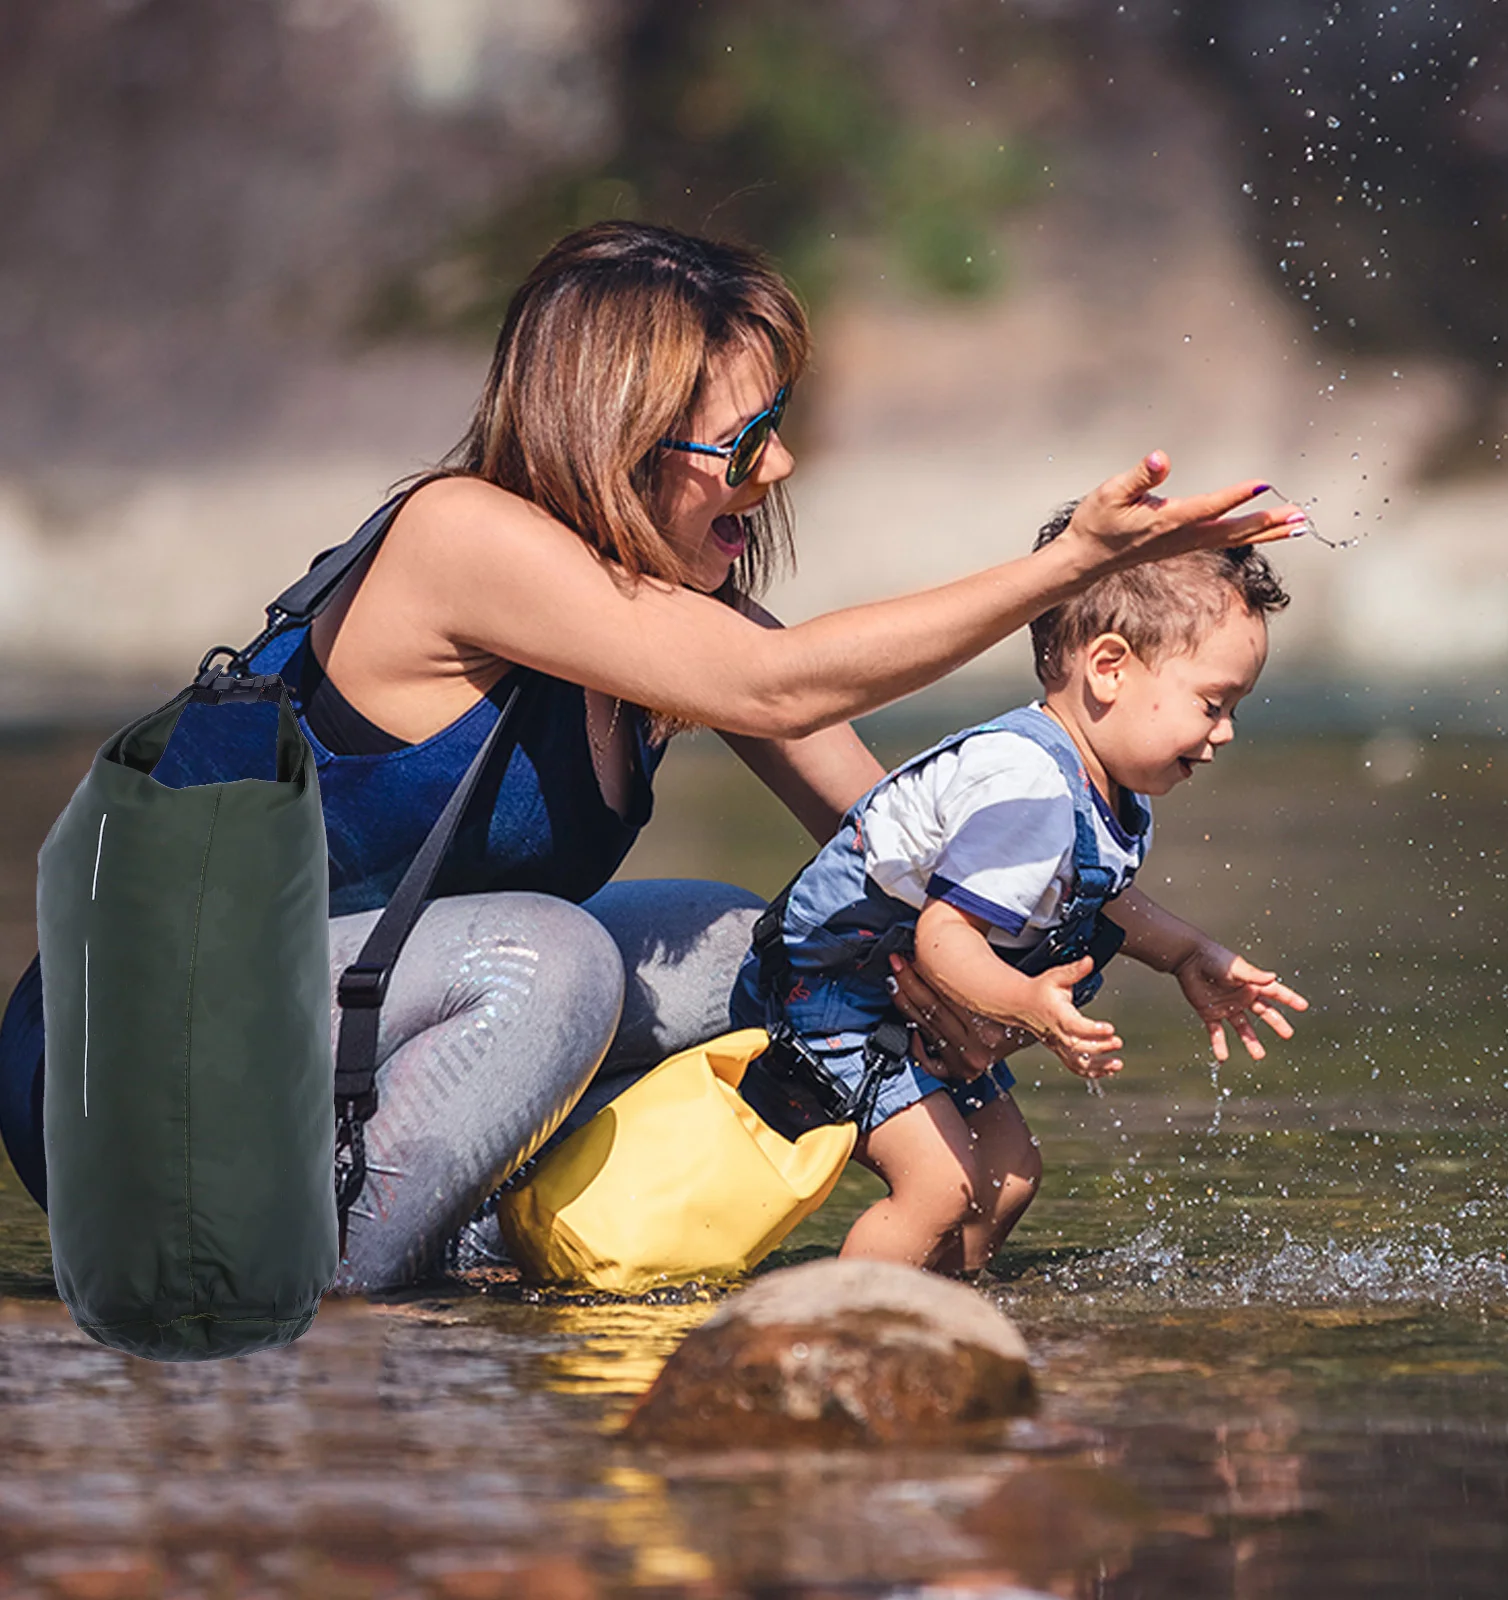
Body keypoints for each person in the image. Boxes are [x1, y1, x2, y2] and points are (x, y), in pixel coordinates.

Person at [0, 222, 1307, 1292]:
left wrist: (1120, 953)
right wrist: (1066, 567)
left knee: (784, 946)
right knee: (548, 962)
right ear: (616, 438)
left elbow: (902, 837)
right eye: (744, 442)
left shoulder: (673, 623)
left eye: (780, 421)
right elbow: (774, 682)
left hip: (331, 1031)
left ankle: (508, 1254)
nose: (780, 465)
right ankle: (323, 1292)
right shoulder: (462, 537)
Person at [731, 510, 1310, 1273]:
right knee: (938, 1185)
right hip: (828, 995)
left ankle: (949, 1312)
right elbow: (944, 936)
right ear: (1109, 667)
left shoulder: (1100, 783)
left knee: (1010, 1175)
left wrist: (1185, 955)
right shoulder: (1029, 784)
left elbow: (1095, 896)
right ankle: (845, 1332)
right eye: (1213, 703)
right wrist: (1027, 1003)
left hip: (893, 990)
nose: (1226, 731)